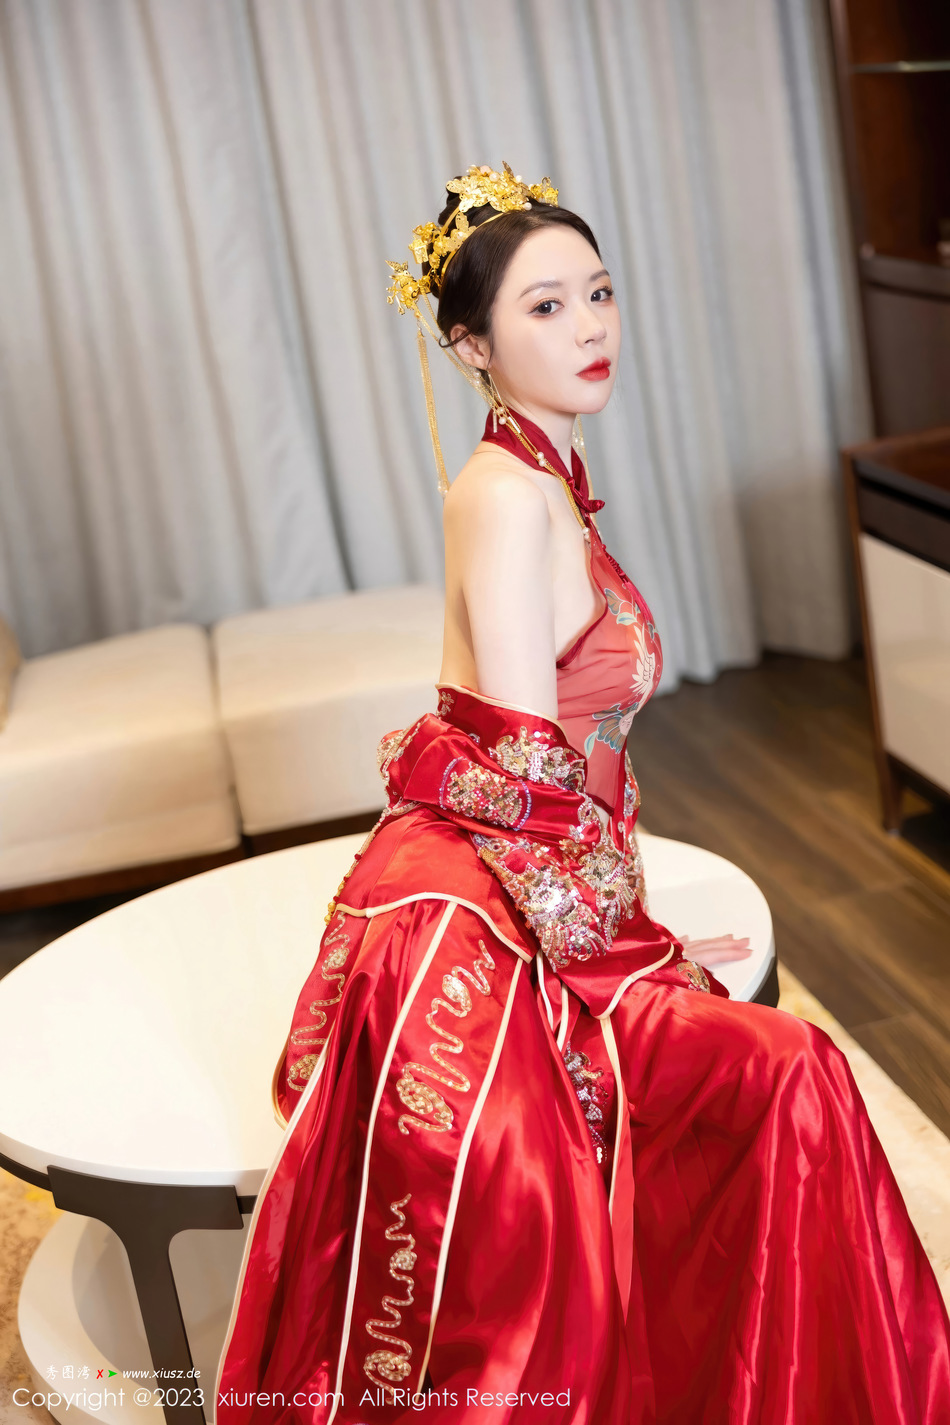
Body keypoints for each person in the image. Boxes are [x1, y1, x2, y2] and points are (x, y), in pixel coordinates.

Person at [216, 165, 950, 1424]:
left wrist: (635, 922)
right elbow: (523, 784)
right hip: (484, 908)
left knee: (781, 1075)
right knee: (788, 1074)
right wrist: (638, 958)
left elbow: (562, 771)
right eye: (545, 307)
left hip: (535, 875)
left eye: (598, 293)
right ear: (471, 346)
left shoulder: (545, 477)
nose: (591, 326)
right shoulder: (503, 500)